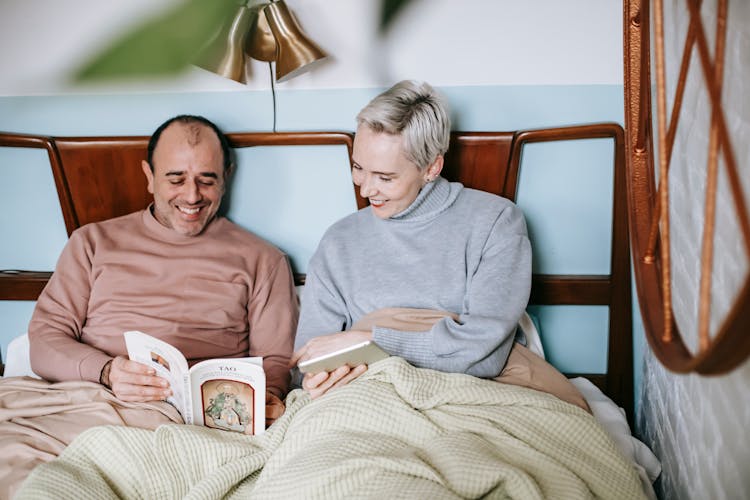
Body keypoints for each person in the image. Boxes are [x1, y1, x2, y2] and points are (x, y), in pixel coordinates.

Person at [28, 114, 298, 419]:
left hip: (197, 414)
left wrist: (266, 397)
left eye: (207, 180)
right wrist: (106, 371)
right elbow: (43, 340)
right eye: (176, 179)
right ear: (149, 175)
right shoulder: (92, 242)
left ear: (227, 176)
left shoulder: (264, 259)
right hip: (92, 398)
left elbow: (275, 361)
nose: (192, 195)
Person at [290, 80, 532, 399]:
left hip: (468, 396)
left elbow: (485, 353)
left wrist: (371, 340)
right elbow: (309, 355)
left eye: (385, 178)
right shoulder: (339, 241)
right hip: (363, 400)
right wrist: (314, 377)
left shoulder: (496, 222)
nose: (365, 190)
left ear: (431, 167)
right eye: (358, 168)